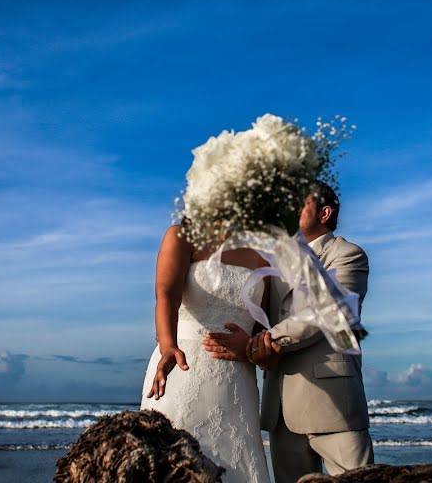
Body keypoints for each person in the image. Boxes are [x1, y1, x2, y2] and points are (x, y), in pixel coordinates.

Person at [204, 183, 373, 482]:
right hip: (280, 411)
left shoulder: (347, 255)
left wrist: (256, 346)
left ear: (325, 212)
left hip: (335, 406)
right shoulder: (271, 264)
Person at [140, 223, 272, 483]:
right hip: (182, 366)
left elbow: (262, 328)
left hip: (237, 384)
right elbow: (166, 294)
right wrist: (168, 347)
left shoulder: (264, 251)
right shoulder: (182, 235)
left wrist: (251, 350)